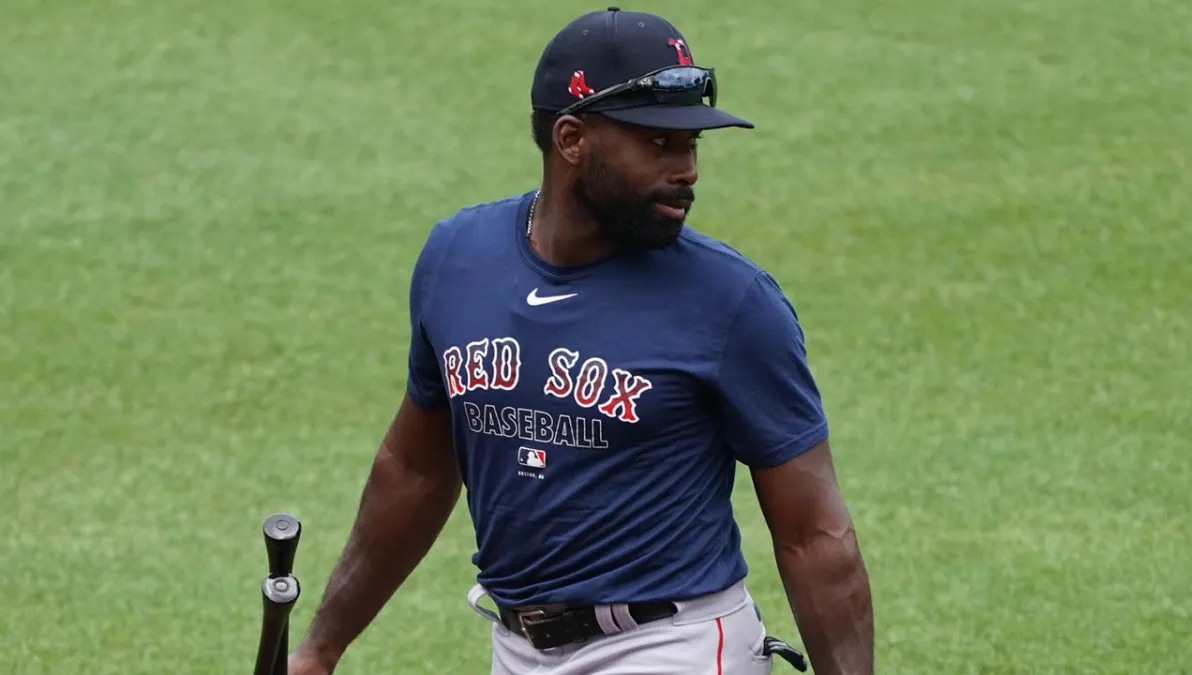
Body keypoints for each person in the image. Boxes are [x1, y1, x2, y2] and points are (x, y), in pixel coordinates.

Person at [288, 6, 873, 674]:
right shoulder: (459, 260)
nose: (688, 171)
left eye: (692, 145)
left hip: (670, 645)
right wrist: (320, 647)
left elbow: (814, 534)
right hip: (517, 649)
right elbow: (416, 469)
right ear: (571, 139)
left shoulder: (731, 302)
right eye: (659, 144)